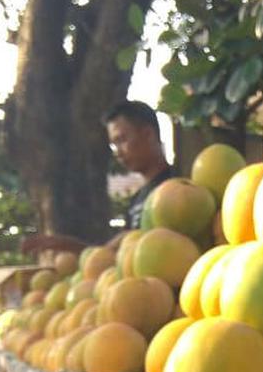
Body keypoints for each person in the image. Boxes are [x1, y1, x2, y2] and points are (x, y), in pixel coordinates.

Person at [21, 100, 173, 256]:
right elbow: (112, 256)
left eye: (122, 140)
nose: (118, 153)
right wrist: (66, 245)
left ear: (148, 134)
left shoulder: (176, 187)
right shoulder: (137, 199)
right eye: (114, 144)